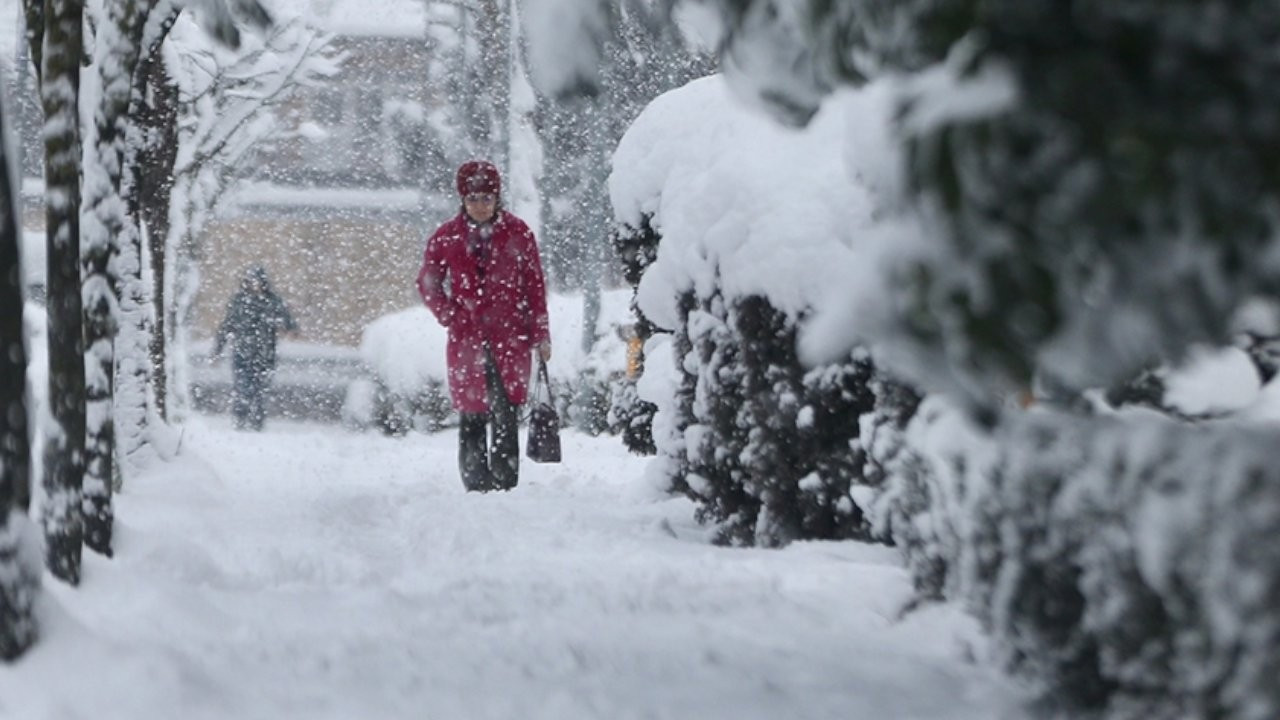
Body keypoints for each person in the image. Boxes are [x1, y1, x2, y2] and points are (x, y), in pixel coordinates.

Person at [417, 160, 551, 492]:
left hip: (511, 337)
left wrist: (541, 334)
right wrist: (451, 315)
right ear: (463, 199)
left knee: (506, 412)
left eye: (487, 198)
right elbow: (428, 283)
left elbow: (534, 287)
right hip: (467, 340)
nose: (480, 205)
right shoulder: (447, 237)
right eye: (473, 198)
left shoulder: (518, 234)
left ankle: (505, 482)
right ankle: (476, 483)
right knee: (472, 412)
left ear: (497, 198)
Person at [214, 265, 298, 430]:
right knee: (242, 389)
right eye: (251, 280)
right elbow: (226, 326)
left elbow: (288, 322)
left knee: (260, 391)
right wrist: (217, 350)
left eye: (257, 280)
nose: (254, 284)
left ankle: (257, 422)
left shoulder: (272, 301)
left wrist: (289, 329)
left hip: (265, 355)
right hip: (242, 353)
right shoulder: (239, 301)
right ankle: (240, 420)